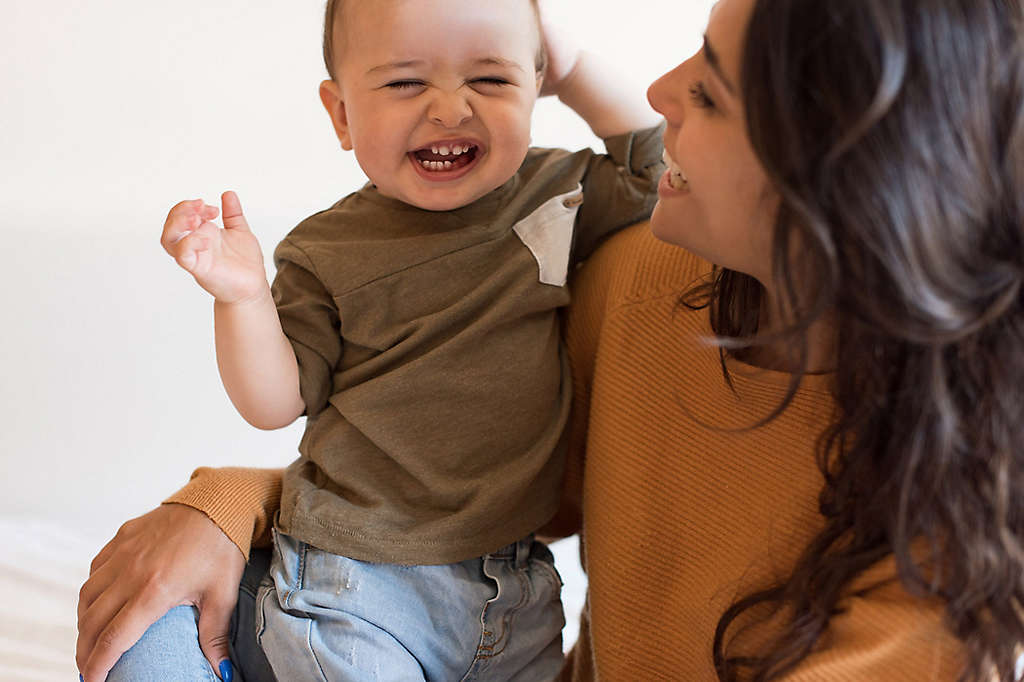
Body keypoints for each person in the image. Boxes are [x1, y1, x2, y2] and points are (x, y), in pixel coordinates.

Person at [78, 0, 1024, 680]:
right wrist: (226, 504)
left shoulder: (947, 548)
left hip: (493, 632)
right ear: (340, 109)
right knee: (152, 636)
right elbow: (454, 454)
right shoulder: (637, 279)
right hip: (391, 582)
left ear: (844, 182)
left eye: (714, 89)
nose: (659, 86)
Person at [81, 0, 663, 679]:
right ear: (342, 115)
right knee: (147, 653)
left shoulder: (554, 193)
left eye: (492, 79)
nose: (451, 109)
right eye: (406, 82)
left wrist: (574, 66)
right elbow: (277, 400)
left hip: (516, 587)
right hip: (358, 576)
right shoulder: (328, 249)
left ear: (537, 88)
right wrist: (241, 297)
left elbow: (664, 173)